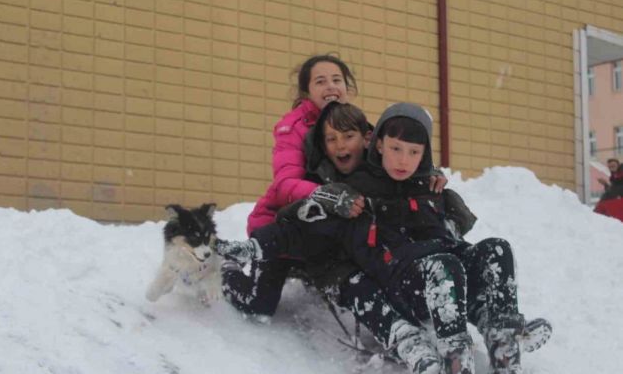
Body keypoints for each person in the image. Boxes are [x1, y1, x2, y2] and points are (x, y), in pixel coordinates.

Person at [219, 102, 551, 374]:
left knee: (497, 249)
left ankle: (504, 346)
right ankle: (456, 358)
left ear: (424, 155)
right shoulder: (358, 193)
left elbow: (457, 229)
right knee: (444, 265)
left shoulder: (428, 188)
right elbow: (300, 227)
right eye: (395, 149)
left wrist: (444, 197)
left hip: (446, 273)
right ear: (377, 144)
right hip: (403, 282)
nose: (403, 160)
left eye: (413, 152)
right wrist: (254, 246)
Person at [222, 57, 446, 374]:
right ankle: (229, 271)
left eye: (337, 79)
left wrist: (427, 174)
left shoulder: (357, 124)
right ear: (305, 91)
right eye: (321, 81)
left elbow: (395, 153)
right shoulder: (293, 128)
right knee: (259, 305)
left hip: (334, 222)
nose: (331, 86)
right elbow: (284, 184)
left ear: (347, 86)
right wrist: (325, 194)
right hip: (284, 222)